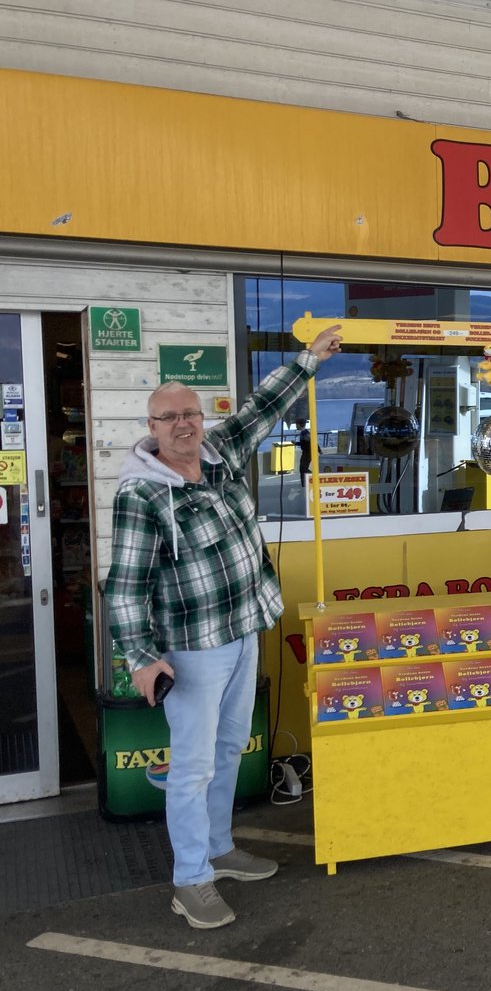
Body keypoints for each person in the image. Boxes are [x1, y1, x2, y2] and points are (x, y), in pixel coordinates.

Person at [104, 325, 343, 930]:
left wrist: (309, 360)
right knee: (192, 766)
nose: (183, 424)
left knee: (229, 747)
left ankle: (218, 847)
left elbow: (263, 408)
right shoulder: (141, 495)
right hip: (192, 650)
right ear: (152, 427)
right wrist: (140, 657)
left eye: (190, 413)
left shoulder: (219, 454)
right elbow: (126, 585)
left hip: (242, 632)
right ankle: (190, 881)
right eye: (169, 417)